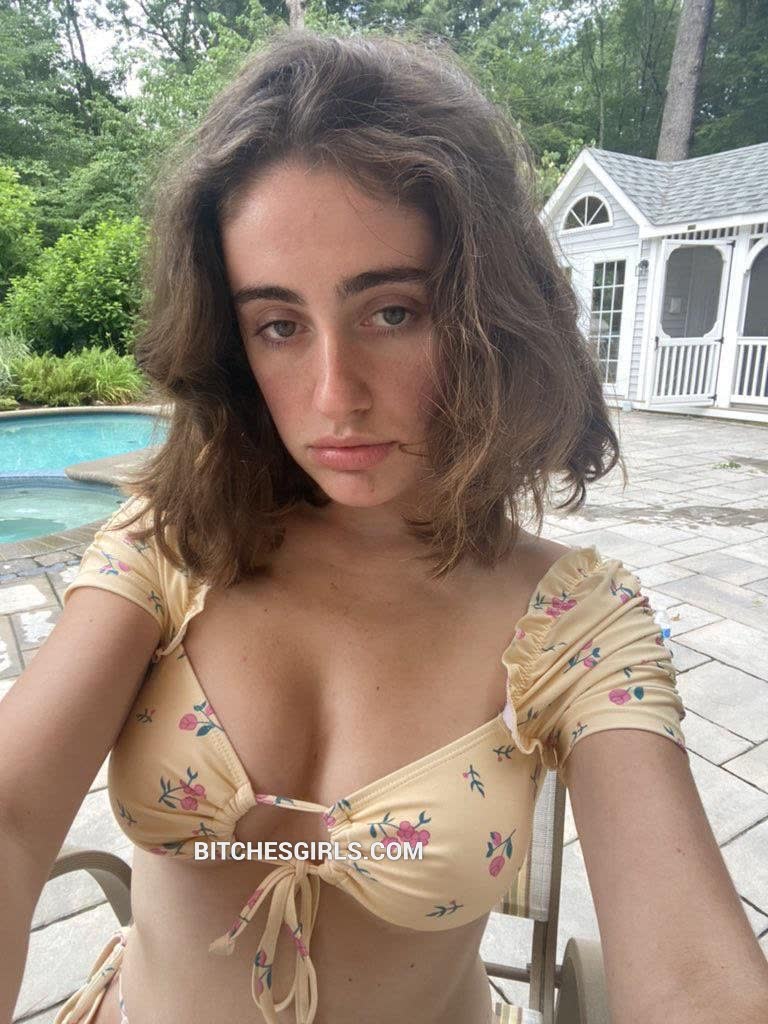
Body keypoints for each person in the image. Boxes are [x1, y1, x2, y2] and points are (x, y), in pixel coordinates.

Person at [7, 27, 765, 1024]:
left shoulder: (574, 624)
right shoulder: (174, 543)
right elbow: (11, 813)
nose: (336, 396)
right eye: (280, 325)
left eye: (393, 311)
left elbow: (695, 982)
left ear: (491, 318)